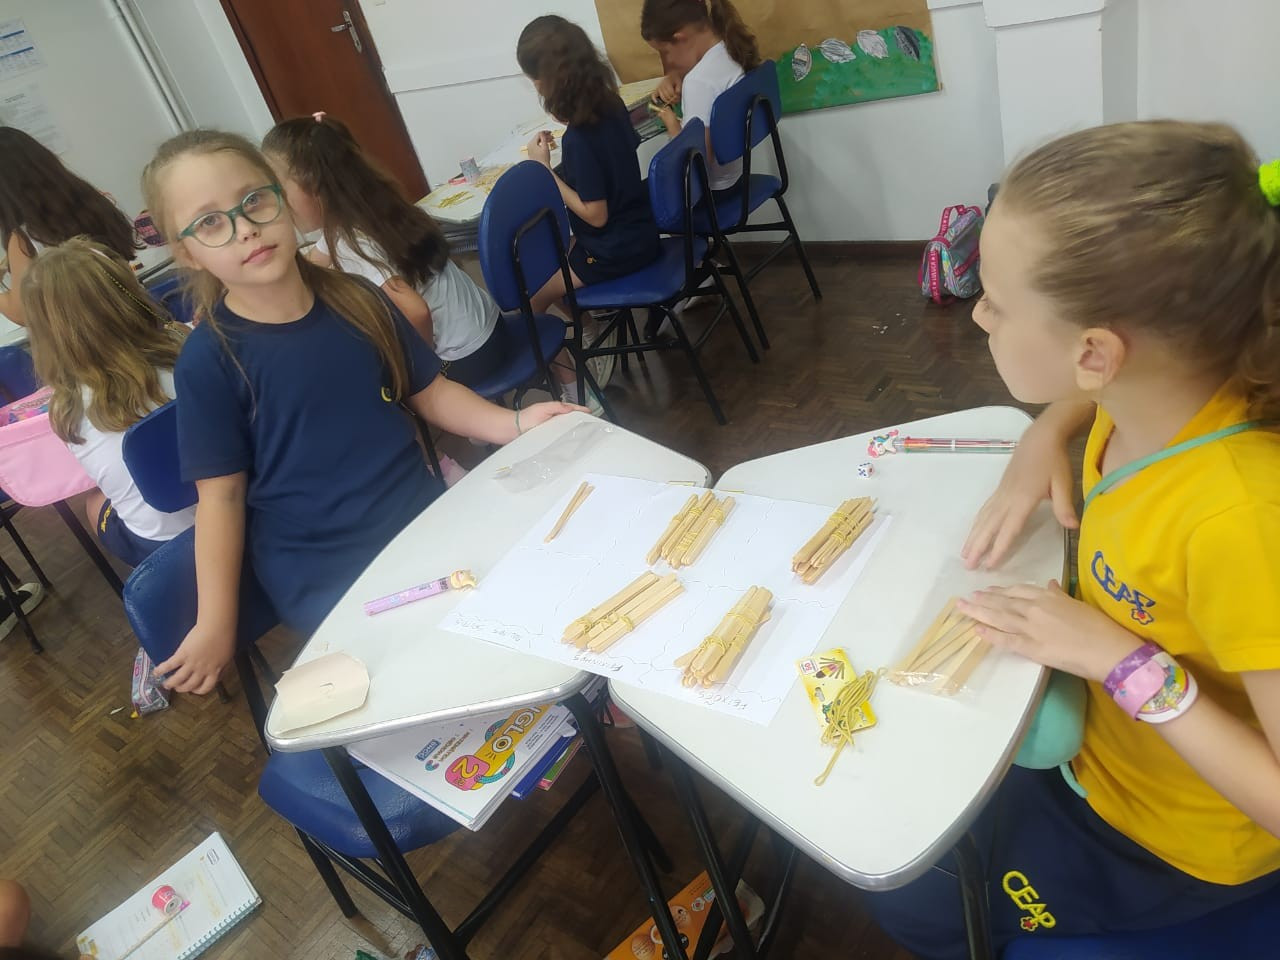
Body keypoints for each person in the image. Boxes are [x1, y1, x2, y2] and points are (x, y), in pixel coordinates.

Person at [870, 121, 1280, 958]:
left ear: (1094, 351)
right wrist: (1044, 433)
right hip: (1099, 760)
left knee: (914, 909)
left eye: (996, 298)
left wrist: (1123, 662)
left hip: (1176, 843)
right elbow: (1102, 391)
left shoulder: (1240, 521)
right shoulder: (1154, 395)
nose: (978, 312)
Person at [138, 129, 583, 695]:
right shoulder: (210, 360)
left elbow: (429, 392)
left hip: (422, 519)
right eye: (210, 222)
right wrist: (215, 623)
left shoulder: (357, 298)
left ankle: (577, 703)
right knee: (455, 673)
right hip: (330, 575)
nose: (244, 227)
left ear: (281, 197)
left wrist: (513, 424)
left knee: (545, 598)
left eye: (253, 200)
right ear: (187, 252)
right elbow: (220, 499)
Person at [262, 114, 506, 390]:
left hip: (468, 357)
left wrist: (419, 367)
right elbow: (316, 259)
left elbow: (416, 312)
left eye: (279, 190)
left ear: (316, 187)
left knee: (374, 381)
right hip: (490, 326)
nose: (278, 202)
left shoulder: (352, 244)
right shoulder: (368, 206)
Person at [21, 238, 195, 567]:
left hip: (168, 548)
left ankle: (157, 581)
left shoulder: (67, 410)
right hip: (247, 505)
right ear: (127, 293)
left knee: (94, 501)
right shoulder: (186, 343)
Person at [517, 15, 660, 406]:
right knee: (544, 261)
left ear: (548, 81)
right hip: (639, 229)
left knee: (529, 296)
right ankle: (592, 330)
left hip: (616, 247)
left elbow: (596, 215)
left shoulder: (580, 138)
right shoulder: (611, 103)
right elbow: (613, 163)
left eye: (534, 80)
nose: (534, 87)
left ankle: (577, 389)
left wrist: (545, 171)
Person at [0, 128, 140, 324]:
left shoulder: (24, 238)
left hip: (94, 335)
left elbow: (23, 313)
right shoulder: (92, 202)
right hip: (136, 315)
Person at [642, 0, 761, 193]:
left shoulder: (699, 82)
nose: (666, 61)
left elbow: (698, 166)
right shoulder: (730, 48)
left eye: (664, 52)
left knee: (637, 199)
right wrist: (677, 76)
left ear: (680, 37)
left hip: (710, 192)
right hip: (736, 177)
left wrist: (672, 125)